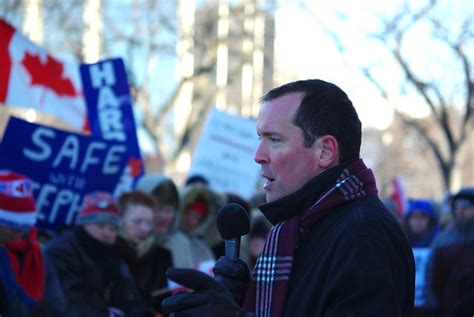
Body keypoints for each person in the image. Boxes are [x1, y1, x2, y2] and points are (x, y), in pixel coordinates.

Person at [162, 79, 415, 316]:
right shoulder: (300, 229)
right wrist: (244, 298)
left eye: (274, 140)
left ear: (325, 152)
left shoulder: (364, 233)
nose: (258, 155)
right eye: (260, 138)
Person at [44, 191, 153, 317]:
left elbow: (128, 296)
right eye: (100, 225)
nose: (107, 233)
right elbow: (67, 301)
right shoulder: (61, 251)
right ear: (84, 224)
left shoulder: (113, 255)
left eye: (112, 228)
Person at [0, 170, 65, 317]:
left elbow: (50, 306)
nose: (18, 235)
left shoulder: (38, 258)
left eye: (24, 229)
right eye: (12, 227)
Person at [136, 174, 214, 268]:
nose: (163, 216)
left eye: (168, 210)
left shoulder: (180, 244)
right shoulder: (131, 239)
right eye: (158, 209)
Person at [115, 190, 173, 314]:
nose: (144, 229)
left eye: (149, 223)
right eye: (137, 221)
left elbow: (166, 300)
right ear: (120, 220)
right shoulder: (108, 251)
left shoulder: (161, 256)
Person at [424, 187, 474, 317]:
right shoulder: (442, 239)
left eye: (466, 206)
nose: (460, 210)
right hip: (448, 308)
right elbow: (431, 274)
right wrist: (431, 305)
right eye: (457, 206)